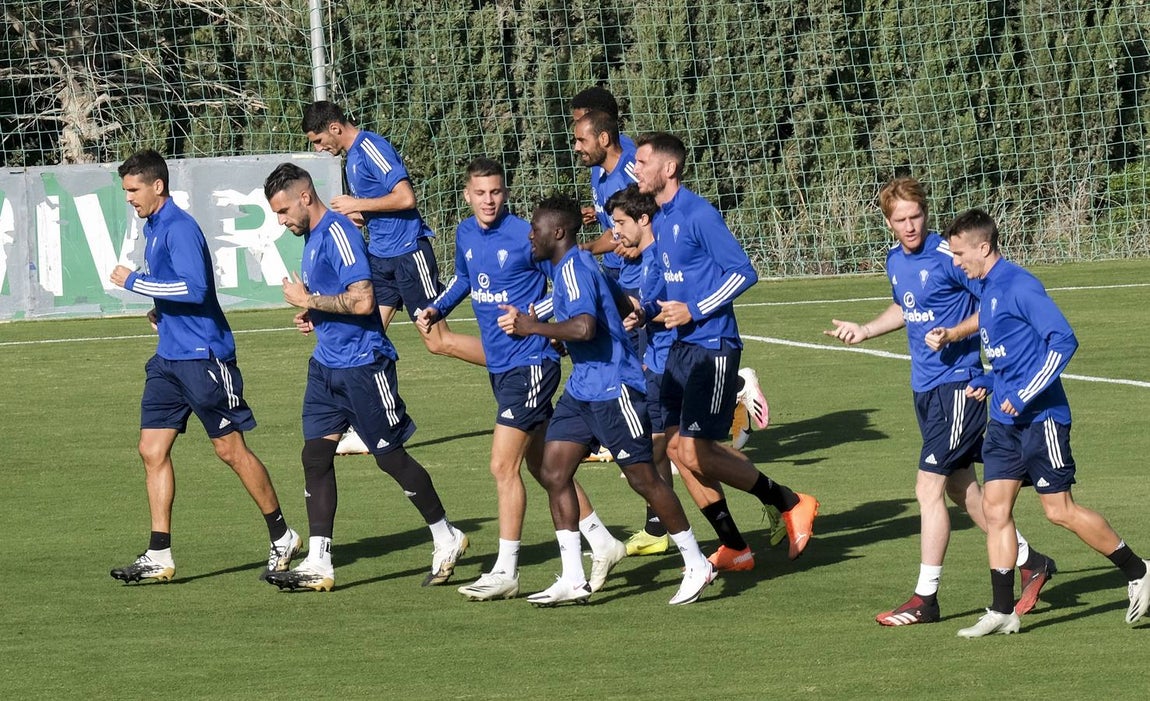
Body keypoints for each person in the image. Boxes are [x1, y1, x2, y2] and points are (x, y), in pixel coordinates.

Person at [824, 177, 1055, 626]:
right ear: (888, 222)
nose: (910, 226)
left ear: (925, 214)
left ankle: (925, 598)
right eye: (900, 219)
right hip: (925, 389)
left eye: (917, 216)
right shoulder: (895, 260)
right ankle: (1031, 562)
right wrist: (866, 330)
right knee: (959, 487)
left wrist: (954, 334)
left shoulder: (948, 256)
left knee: (927, 488)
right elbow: (905, 307)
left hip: (959, 386)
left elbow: (991, 303)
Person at [416, 158, 626, 600]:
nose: (489, 200)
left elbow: (565, 284)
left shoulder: (527, 237)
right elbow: (464, 280)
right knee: (542, 467)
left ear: (505, 193)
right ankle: (603, 542)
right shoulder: (465, 234)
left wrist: (534, 320)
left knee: (501, 465)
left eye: (496, 191)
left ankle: (506, 570)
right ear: (467, 195)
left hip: (531, 363)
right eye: (480, 193)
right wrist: (439, 307)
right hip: (500, 365)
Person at [940, 208, 1150, 637]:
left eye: (960, 253)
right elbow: (1012, 357)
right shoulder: (988, 289)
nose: (956, 261)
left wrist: (1023, 393)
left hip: (1043, 421)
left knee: (1059, 511)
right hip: (1003, 422)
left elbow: (1063, 341)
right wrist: (990, 381)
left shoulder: (1019, 286)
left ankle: (1139, 570)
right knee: (996, 512)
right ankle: (1002, 610)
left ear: (984, 247)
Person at [497, 194, 716, 606]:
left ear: (557, 233)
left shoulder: (574, 271)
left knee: (644, 479)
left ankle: (696, 561)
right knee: (553, 471)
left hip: (615, 389)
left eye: (536, 229)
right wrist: (630, 311)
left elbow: (583, 328)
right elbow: (617, 295)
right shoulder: (574, 267)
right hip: (583, 389)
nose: (530, 235)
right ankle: (574, 577)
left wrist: (534, 327)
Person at [260, 162, 468, 592]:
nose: (281, 222)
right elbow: (337, 299)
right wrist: (312, 312)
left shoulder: (339, 233)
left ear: (304, 197)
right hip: (326, 367)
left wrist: (309, 298)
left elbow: (362, 302)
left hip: (362, 365)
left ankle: (447, 536)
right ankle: (319, 561)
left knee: (390, 458)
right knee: (314, 457)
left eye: (283, 212)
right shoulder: (313, 236)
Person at [108, 149, 299, 584]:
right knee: (151, 450)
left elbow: (195, 289)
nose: (130, 199)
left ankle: (282, 534)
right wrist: (160, 309)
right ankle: (159, 553)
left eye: (134, 190)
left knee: (229, 449)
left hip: (204, 358)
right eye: (125, 192)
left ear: (157, 186)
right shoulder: (154, 227)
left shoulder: (179, 227)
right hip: (169, 360)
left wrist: (136, 283)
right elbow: (177, 294)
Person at [633, 132, 819, 561]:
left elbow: (742, 272)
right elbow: (667, 280)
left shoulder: (699, 214)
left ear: (669, 168)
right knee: (679, 453)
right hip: (681, 348)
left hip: (712, 347)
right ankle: (735, 547)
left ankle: (790, 502)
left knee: (697, 452)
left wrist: (694, 310)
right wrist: (642, 311)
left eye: (642, 162)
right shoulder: (660, 219)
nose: (635, 169)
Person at [609, 184, 783, 568]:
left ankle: (779, 500)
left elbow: (729, 279)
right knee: (675, 453)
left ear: (643, 219)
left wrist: (619, 305)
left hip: (680, 359)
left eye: (619, 223)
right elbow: (651, 305)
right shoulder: (653, 251)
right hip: (663, 362)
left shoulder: (673, 239)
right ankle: (732, 543)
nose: (614, 233)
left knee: (673, 451)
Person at [300, 100, 483, 366]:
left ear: (335, 128)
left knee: (438, 341)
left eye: (318, 140)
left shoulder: (370, 147)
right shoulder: (352, 158)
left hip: (408, 254)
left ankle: (511, 361)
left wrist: (357, 204)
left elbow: (406, 198)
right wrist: (353, 216)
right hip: (380, 258)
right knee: (365, 338)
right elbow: (376, 208)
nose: (318, 148)